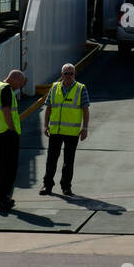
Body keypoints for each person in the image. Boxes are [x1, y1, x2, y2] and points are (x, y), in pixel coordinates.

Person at [39, 63, 90, 198]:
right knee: (51, 160)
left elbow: (85, 109)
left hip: (72, 133)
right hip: (55, 131)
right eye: (66, 73)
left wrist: (84, 128)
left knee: (68, 161)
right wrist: (45, 125)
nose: (68, 76)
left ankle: (66, 187)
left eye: (71, 73)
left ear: (74, 74)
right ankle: (47, 185)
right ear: (61, 75)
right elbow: (48, 108)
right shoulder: (55, 87)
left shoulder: (81, 89)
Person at [0, 69, 26, 211]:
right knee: (9, 167)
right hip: (7, 133)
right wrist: (12, 128)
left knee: (2, 165)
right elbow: (6, 111)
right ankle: (1, 197)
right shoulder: (6, 90)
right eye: (20, 83)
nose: (20, 86)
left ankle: (2, 197)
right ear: (15, 79)